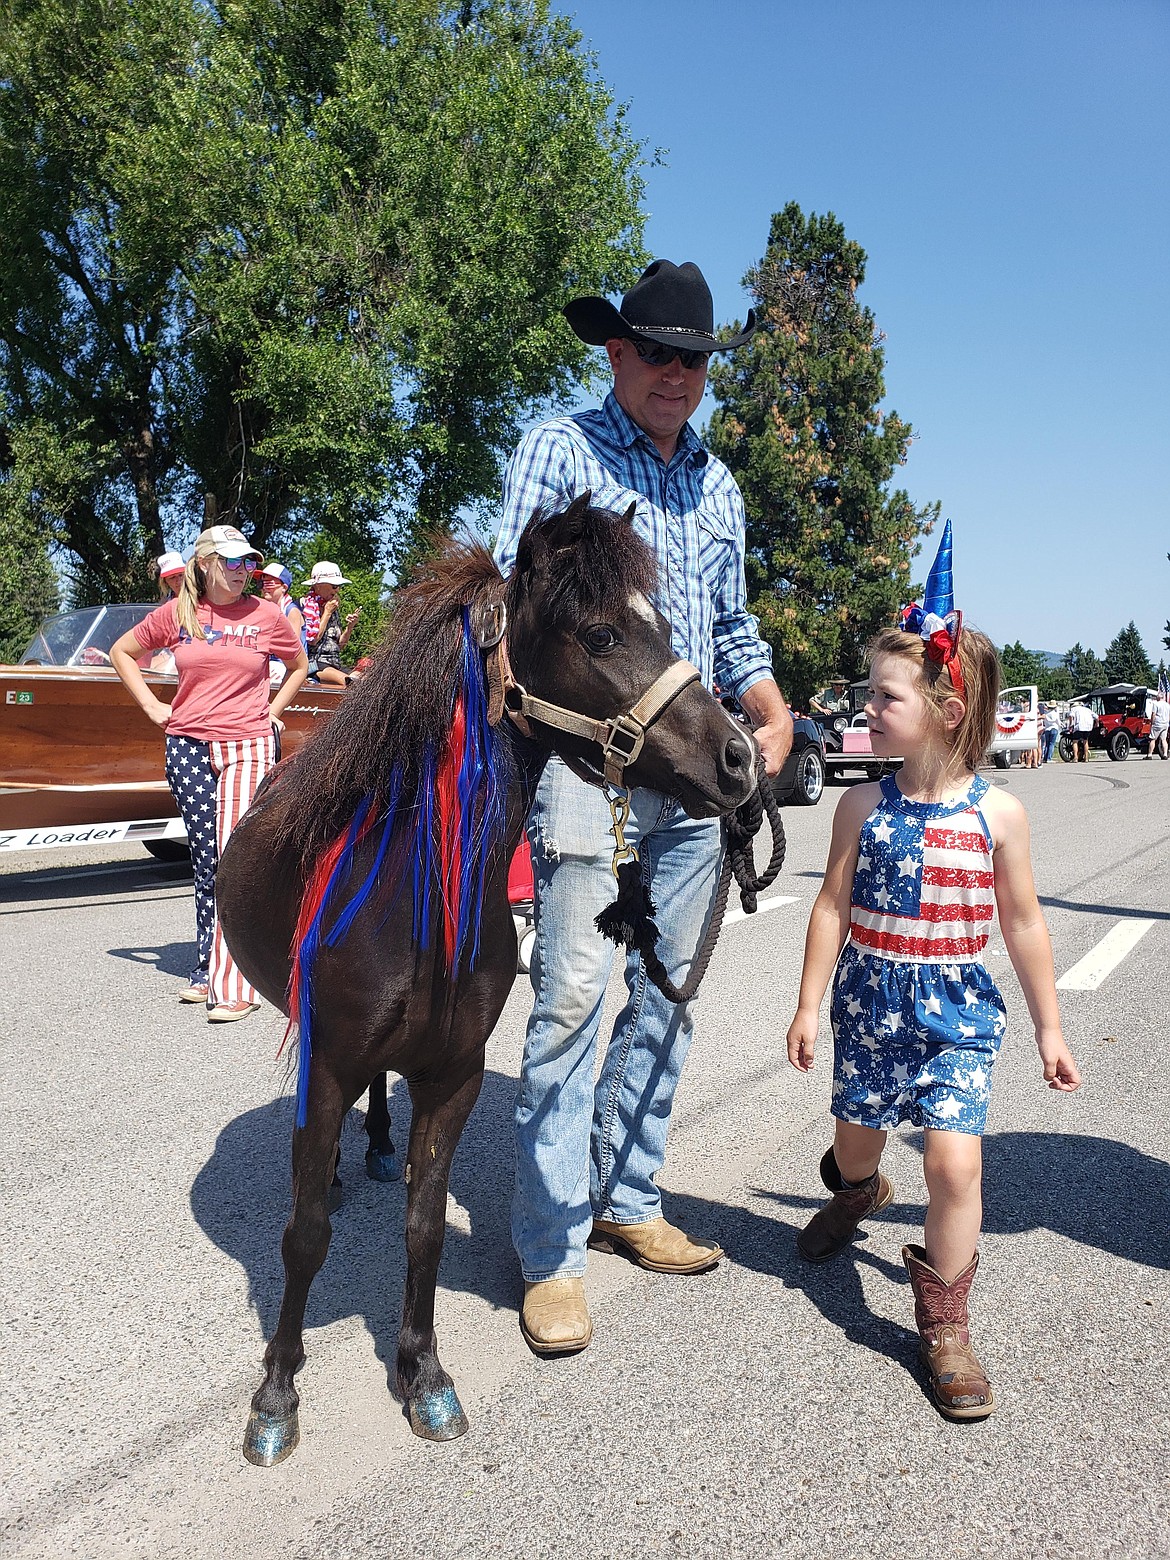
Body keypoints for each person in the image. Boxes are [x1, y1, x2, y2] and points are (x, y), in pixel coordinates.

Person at [494, 259, 794, 1356]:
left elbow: (733, 631)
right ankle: (552, 1248)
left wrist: (768, 707)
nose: (678, 375)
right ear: (615, 352)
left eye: (695, 360)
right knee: (572, 1004)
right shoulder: (558, 453)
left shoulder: (720, 487)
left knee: (666, 1001)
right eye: (658, 353)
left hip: (689, 782)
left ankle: (629, 1196)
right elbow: (513, 607)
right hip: (586, 780)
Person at [784, 521, 1080, 1421]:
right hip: (870, 1002)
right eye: (869, 697)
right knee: (856, 1146)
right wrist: (805, 1006)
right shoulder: (859, 804)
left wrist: (1049, 1025)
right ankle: (861, 1190)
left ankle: (945, 1325)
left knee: (955, 1168)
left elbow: (1023, 924)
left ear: (946, 712)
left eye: (883, 698)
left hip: (955, 1008)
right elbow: (831, 907)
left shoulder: (1001, 815)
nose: (866, 710)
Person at [110, 524, 309, 1020]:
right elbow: (122, 653)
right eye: (233, 562)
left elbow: (299, 664)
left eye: (249, 563)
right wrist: (154, 708)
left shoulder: (266, 615)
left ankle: (237, 983)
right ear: (205, 564)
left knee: (233, 855)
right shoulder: (180, 613)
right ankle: (207, 967)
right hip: (187, 745)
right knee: (206, 859)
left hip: (247, 743)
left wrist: (272, 710)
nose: (244, 571)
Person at [300, 562, 361, 687]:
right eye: (334, 586)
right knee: (350, 682)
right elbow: (312, 640)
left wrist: (350, 627)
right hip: (314, 665)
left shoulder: (332, 608)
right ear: (318, 586)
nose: (337, 590)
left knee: (363, 677)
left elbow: (339, 646)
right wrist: (327, 612)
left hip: (334, 664)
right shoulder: (306, 605)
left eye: (338, 586)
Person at [1146, 687, 1169, 759]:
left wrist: (1152, 722)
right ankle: (1165, 754)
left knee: (1152, 739)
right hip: (1165, 723)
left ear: (1159, 697)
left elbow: (1153, 714)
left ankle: (1149, 754)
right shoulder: (1168, 705)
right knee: (1164, 739)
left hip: (1157, 723)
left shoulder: (1156, 704)